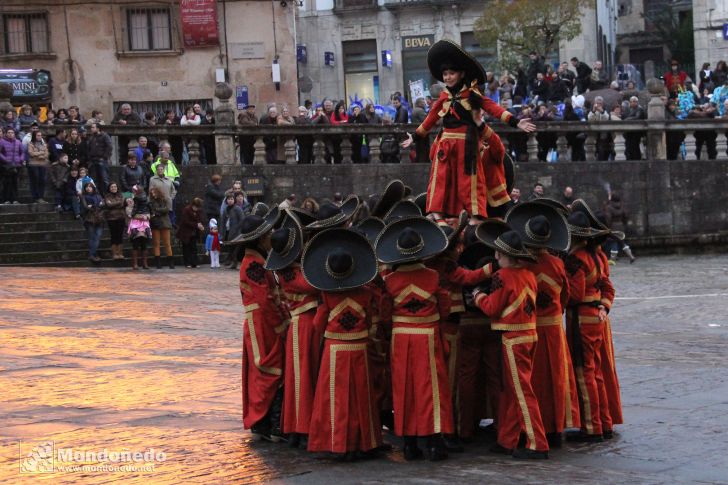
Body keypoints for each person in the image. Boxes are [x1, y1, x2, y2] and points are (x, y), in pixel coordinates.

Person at [402, 39, 536, 222]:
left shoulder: (472, 95)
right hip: (445, 145)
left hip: (467, 145)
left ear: (461, 74)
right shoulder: (443, 97)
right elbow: (430, 119)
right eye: (445, 74)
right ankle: (438, 213)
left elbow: (494, 108)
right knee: (440, 180)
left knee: (469, 181)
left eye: (451, 73)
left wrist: (515, 122)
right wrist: (415, 137)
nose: (448, 77)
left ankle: (474, 215)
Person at [376, 217, 453, 461]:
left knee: (404, 388)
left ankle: (409, 443)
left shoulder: (389, 281)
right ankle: (434, 442)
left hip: (401, 338)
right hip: (428, 337)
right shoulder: (432, 276)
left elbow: (385, 315)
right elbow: (445, 308)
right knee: (431, 389)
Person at [505, 202, 581, 449]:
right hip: (555, 329)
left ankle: (530, 431)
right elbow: (567, 295)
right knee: (556, 380)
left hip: (531, 327)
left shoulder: (523, 266)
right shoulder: (558, 264)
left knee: (532, 382)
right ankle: (556, 428)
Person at [302, 227, 383, 458]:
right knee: (360, 397)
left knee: (334, 397)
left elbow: (318, 324)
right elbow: (371, 320)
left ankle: (337, 443)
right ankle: (362, 442)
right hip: (359, 347)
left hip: (334, 349)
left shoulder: (327, 295)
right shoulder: (365, 293)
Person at [472, 229, 549, 459]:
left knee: (522, 392)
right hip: (528, 336)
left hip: (512, 340)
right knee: (511, 391)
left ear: (506, 254)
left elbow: (492, 308)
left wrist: (477, 295)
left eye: (499, 252)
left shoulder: (502, 276)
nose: (496, 257)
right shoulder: (528, 274)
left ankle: (537, 443)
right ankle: (508, 439)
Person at [264, 214, 320, 450]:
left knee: (297, 378)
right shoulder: (300, 275)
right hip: (306, 326)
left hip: (297, 326)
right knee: (304, 378)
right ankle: (303, 427)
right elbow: (315, 285)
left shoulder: (287, 272)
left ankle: (295, 427)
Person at [232, 209, 286, 441]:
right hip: (262, 323)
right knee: (271, 369)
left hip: (262, 320)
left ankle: (265, 422)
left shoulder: (257, 260)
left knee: (266, 370)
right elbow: (263, 300)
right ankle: (271, 423)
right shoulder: (253, 263)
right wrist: (280, 325)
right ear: (260, 238)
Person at [563, 211, 612, 442]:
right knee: (598, 373)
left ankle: (591, 428)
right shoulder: (598, 256)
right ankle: (605, 423)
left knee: (585, 374)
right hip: (597, 317)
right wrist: (604, 307)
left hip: (581, 319)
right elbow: (607, 288)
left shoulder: (575, 259)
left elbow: (574, 295)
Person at [149, 186, 174, 269]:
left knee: (167, 243)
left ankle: (170, 262)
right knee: (156, 244)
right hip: (155, 223)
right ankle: (158, 263)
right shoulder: (151, 202)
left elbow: (167, 209)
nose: (153, 194)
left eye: (154, 192)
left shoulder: (165, 199)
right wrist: (159, 211)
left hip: (165, 223)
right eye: (152, 193)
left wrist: (157, 211)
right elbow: (152, 211)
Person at [80, 182, 105, 263]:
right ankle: (93, 255)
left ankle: (92, 254)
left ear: (93, 188)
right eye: (87, 187)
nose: (88, 188)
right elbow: (86, 207)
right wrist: (96, 205)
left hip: (99, 219)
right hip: (89, 219)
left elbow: (103, 204)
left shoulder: (98, 196)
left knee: (97, 237)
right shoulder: (83, 196)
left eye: (90, 186)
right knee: (91, 237)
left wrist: (93, 205)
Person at [176, 198, 205, 268]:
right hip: (185, 232)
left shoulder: (198, 211)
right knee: (186, 248)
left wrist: (200, 225)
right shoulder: (186, 210)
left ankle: (194, 263)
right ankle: (187, 263)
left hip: (193, 232)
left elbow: (199, 219)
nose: (196, 209)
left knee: (194, 248)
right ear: (193, 205)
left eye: (198, 207)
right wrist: (196, 225)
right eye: (196, 207)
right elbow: (185, 221)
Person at [128, 185, 152, 270]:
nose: (133, 192)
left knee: (142, 243)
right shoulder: (132, 199)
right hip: (138, 222)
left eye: (134, 190)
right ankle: (137, 263)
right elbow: (129, 212)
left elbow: (150, 211)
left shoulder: (138, 199)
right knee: (138, 243)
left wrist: (147, 216)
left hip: (141, 222)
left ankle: (142, 263)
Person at [86, 123, 112, 194]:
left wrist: (105, 156)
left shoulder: (104, 136)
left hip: (102, 160)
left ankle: (107, 195)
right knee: (94, 180)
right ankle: (96, 196)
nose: (91, 129)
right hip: (93, 160)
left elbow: (109, 147)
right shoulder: (91, 137)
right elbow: (88, 148)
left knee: (104, 179)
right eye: (91, 127)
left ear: (98, 128)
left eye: (93, 127)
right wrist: (89, 157)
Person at [220, 193, 245, 269]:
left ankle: (234, 262)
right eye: (228, 199)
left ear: (234, 200)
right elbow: (223, 221)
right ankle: (233, 263)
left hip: (236, 233)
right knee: (230, 248)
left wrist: (237, 228)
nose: (230, 201)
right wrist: (222, 231)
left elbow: (242, 219)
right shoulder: (226, 209)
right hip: (228, 231)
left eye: (231, 199)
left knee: (235, 249)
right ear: (226, 200)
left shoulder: (237, 208)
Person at [0, 127, 24, 204]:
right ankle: (6, 199)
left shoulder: (18, 142)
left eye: (12, 132)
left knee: (15, 183)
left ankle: (15, 199)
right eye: (9, 132)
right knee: (7, 183)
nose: (10, 134)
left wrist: (20, 159)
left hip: (17, 165)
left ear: (14, 134)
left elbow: (22, 152)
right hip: (7, 166)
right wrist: (6, 160)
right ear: (6, 134)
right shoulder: (2, 141)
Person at [103, 182, 126, 260]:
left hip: (121, 217)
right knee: (113, 235)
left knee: (120, 235)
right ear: (109, 188)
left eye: (115, 186)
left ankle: (120, 253)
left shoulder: (121, 195)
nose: (113, 188)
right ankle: (114, 253)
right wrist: (118, 203)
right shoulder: (107, 196)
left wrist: (113, 203)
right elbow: (108, 205)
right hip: (111, 218)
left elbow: (122, 203)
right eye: (112, 187)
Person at [26, 130, 50, 203]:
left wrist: (39, 155)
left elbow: (46, 154)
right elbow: (31, 153)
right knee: (35, 180)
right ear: (34, 136)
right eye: (38, 135)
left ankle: (41, 197)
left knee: (42, 180)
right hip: (33, 164)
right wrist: (41, 153)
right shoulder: (31, 144)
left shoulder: (44, 144)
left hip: (42, 164)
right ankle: (35, 197)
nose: (40, 137)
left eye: (40, 135)